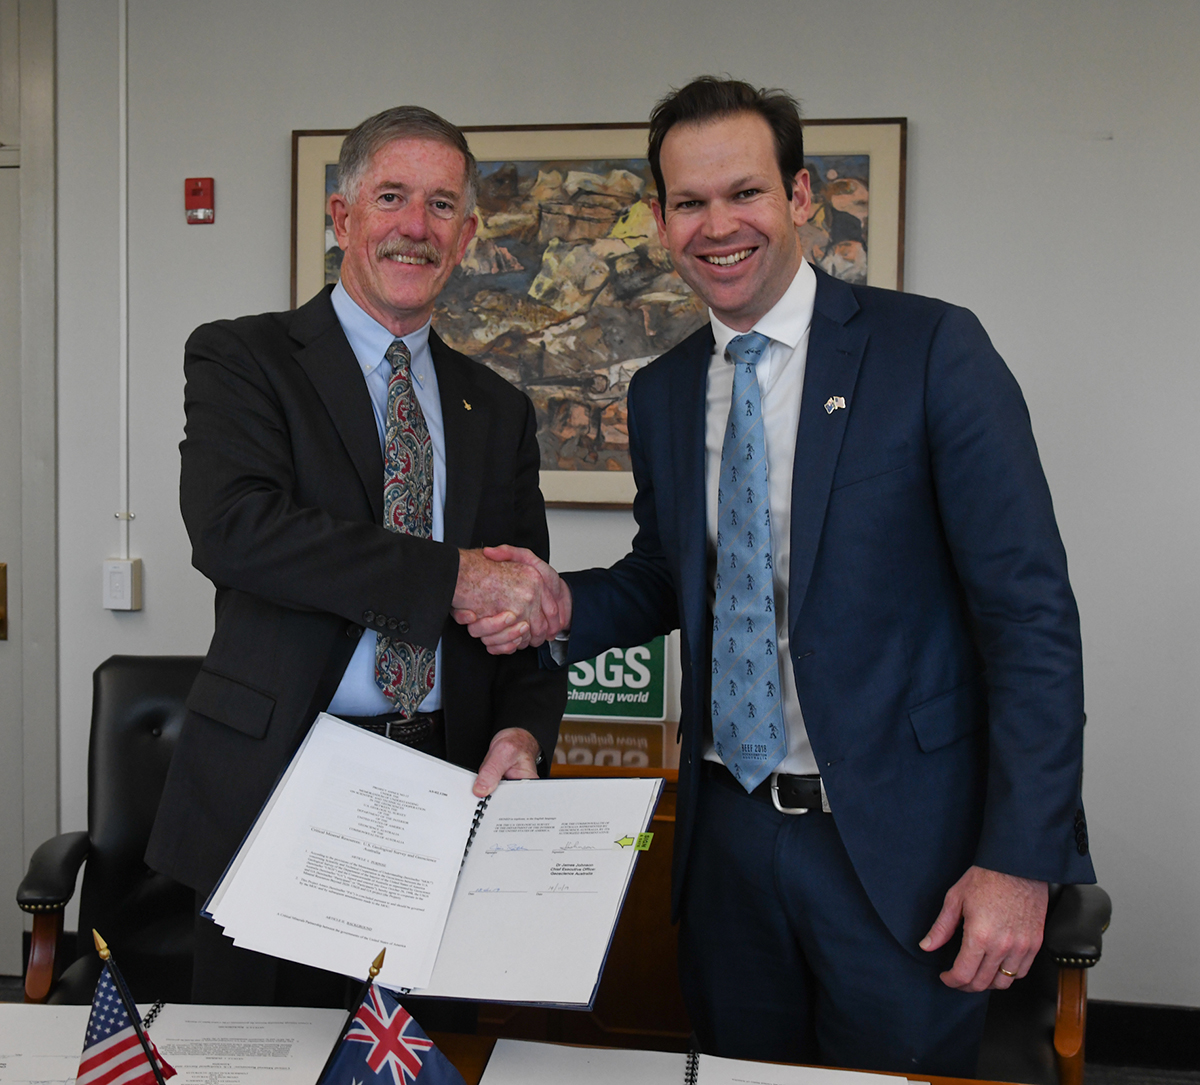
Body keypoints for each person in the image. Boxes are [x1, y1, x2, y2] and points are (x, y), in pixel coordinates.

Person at [460, 78, 1094, 1075]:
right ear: (663, 220)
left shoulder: (931, 349)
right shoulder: (665, 389)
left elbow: (1032, 622)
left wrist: (1020, 858)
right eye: (689, 202)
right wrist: (560, 601)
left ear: (800, 196)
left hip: (899, 851)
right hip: (727, 846)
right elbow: (675, 574)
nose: (719, 224)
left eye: (744, 193)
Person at [146, 105, 567, 1008]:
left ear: (465, 234)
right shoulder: (244, 357)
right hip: (278, 792)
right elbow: (236, 529)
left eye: (442, 205)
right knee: (266, 1060)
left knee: (420, 1059)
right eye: (392, 197)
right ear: (342, 218)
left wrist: (525, 730)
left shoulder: (496, 409)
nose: (416, 226)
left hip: (442, 799)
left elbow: (522, 614)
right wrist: (453, 575)